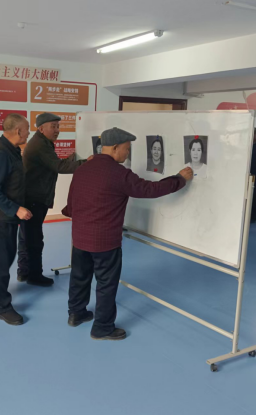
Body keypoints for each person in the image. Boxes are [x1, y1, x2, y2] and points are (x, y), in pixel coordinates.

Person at [62, 127, 193, 341]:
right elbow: (150, 189)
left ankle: (76, 314)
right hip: (105, 242)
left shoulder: (83, 169)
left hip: (79, 238)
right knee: (106, 284)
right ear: (115, 148)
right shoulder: (118, 173)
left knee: (79, 277)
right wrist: (179, 178)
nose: (128, 153)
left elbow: (71, 203)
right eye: (127, 148)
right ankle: (102, 328)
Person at [17, 113, 92, 286]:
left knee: (27, 237)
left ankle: (24, 271)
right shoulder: (40, 145)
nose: (57, 130)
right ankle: (34, 275)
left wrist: (72, 159)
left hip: (33, 197)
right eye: (53, 126)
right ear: (41, 128)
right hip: (35, 198)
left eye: (58, 126)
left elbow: (53, 163)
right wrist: (86, 163)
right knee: (34, 239)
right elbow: (59, 167)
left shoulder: (42, 142)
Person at [0, 114, 32, 325]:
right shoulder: (1, 153)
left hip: (3, 216)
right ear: (18, 131)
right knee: (1, 263)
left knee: (2, 258)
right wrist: (16, 209)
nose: (29, 133)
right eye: (27, 129)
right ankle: (2, 306)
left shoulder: (9, 149)